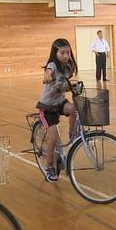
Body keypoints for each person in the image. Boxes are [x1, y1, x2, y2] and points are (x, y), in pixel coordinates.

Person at [36, 38, 78, 182]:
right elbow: (48, 71)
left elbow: (65, 83)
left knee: (74, 108)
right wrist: (47, 76)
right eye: (62, 53)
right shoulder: (53, 64)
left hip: (59, 102)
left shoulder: (68, 66)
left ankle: (73, 133)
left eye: (68, 52)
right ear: (55, 53)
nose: (66, 55)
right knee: (53, 138)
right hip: (47, 106)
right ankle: (49, 167)